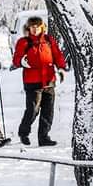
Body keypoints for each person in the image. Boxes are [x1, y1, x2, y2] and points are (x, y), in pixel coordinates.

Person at [12, 16, 68, 146]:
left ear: (42, 27)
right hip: (32, 82)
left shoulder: (49, 40)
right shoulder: (23, 42)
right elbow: (16, 59)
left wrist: (61, 68)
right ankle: (23, 133)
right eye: (32, 27)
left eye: (37, 26)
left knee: (48, 111)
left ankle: (44, 137)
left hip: (49, 81)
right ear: (29, 28)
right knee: (33, 110)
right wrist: (21, 62)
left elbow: (58, 55)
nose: (35, 29)